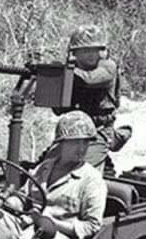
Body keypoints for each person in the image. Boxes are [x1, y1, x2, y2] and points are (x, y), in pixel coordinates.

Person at [0, 110, 107, 239]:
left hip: (60, 237)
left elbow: (92, 226)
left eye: (85, 142)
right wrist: (6, 200)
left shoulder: (92, 180)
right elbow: (23, 198)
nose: (82, 148)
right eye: (75, 142)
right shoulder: (45, 167)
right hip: (29, 220)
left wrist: (53, 222)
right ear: (61, 143)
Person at [54, 24, 132, 173]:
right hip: (73, 131)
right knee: (49, 165)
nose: (90, 54)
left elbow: (90, 80)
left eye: (94, 50)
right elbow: (58, 109)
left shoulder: (108, 66)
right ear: (75, 53)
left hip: (99, 130)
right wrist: (51, 79)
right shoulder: (72, 71)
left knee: (81, 172)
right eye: (84, 50)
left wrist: (65, 72)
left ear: (102, 51)